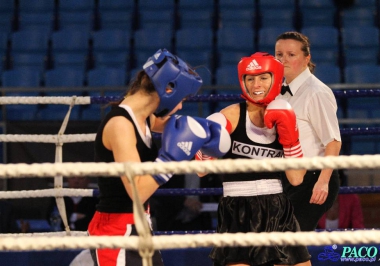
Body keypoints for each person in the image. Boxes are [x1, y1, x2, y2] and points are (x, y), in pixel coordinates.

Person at [87, 48, 231, 266]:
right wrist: (170, 161)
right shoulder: (121, 125)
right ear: (168, 89)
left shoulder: (145, 118)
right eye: (181, 98)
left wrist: (207, 140)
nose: (181, 105)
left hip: (139, 225)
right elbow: (137, 191)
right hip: (116, 231)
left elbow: (183, 126)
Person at [196, 52, 311, 266]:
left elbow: (296, 179)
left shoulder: (287, 116)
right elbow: (201, 171)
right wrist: (207, 144)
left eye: (263, 78)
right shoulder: (230, 116)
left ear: (275, 79)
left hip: (277, 207)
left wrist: (290, 138)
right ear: (243, 82)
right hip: (237, 210)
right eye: (250, 79)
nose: (256, 84)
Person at [274, 31, 342, 232]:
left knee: (288, 243)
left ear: (306, 58)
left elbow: (333, 141)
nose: (283, 59)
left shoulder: (316, 92)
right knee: (288, 248)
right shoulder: (278, 91)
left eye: (291, 54)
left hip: (314, 178)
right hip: (288, 177)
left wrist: (323, 182)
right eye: (279, 54)